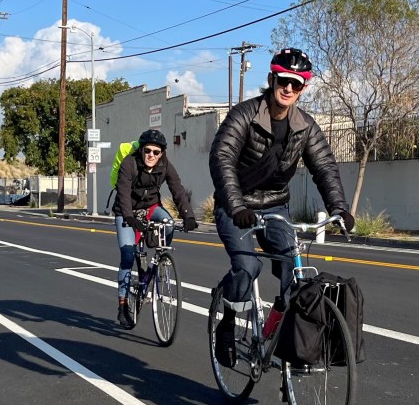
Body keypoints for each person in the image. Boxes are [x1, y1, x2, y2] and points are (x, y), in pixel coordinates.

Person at [208, 47, 354, 364]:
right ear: (272, 79)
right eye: (283, 80)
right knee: (248, 267)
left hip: (275, 207)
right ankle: (228, 324)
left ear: (304, 87)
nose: (288, 88)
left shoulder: (305, 126)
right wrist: (235, 206)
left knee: (295, 275)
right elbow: (222, 159)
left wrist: (339, 208)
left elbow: (325, 168)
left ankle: (281, 343)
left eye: (297, 83)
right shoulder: (244, 115)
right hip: (237, 207)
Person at [113, 128, 198, 329]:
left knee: (168, 224)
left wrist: (189, 215)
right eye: (148, 151)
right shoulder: (129, 164)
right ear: (142, 150)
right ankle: (123, 305)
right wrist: (129, 218)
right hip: (127, 211)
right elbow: (123, 193)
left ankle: (160, 259)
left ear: (162, 153)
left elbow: (177, 189)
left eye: (156, 152)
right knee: (127, 255)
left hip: (152, 208)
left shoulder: (165, 165)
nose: (151, 155)